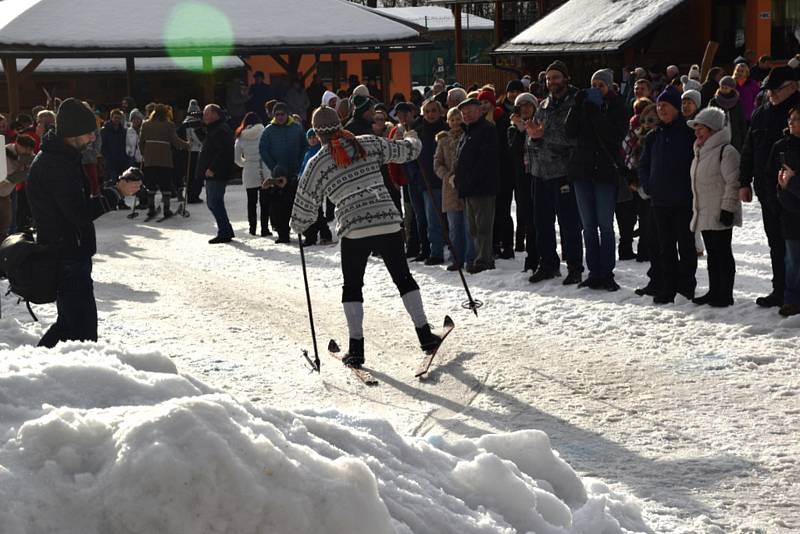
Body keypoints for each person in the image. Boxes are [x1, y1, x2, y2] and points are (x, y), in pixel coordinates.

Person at [290, 105, 442, 367]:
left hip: (354, 228)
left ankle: (356, 350)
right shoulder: (367, 143)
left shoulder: (317, 163)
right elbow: (407, 151)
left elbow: (304, 208)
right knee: (403, 278)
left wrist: (298, 225)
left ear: (316, 132)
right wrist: (412, 137)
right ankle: (425, 335)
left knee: (352, 287)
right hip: (387, 221)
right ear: (340, 123)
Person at [25, 98, 141, 348]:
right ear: (72, 132)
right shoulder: (56, 163)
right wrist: (117, 192)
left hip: (68, 250)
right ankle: (60, 377)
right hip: (66, 254)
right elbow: (78, 213)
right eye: (89, 133)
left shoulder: (62, 156)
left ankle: (36, 371)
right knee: (82, 331)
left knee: (71, 324)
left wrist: (114, 189)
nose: (92, 138)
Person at [740, 66, 799, 308]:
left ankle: (793, 294)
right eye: (769, 90)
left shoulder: (797, 113)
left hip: (795, 192)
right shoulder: (760, 113)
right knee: (775, 242)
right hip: (767, 189)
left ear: (794, 86)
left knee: (794, 245)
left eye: (777, 89)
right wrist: (743, 181)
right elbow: (749, 148)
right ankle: (780, 290)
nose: (772, 94)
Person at [565, 68, 629, 291]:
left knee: (605, 225)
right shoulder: (583, 105)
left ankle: (607, 272)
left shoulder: (618, 105)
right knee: (588, 226)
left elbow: (615, 135)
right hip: (582, 172)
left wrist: (596, 114)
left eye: (601, 85)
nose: (597, 89)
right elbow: (569, 131)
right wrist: (576, 106)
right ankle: (593, 271)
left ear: (610, 86)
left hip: (605, 173)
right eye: (594, 84)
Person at [525, 60, 584, 285]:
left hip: (563, 172)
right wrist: (533, 136)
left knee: (569, 223)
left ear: (566, 78)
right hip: (540, 172)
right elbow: (534, 138)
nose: (552, 82)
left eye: (556, 77)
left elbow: (574, 137)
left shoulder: (576, 102)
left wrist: (542, 136)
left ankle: (575, 266)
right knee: (542, 222)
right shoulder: (544, 104)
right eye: (549, 78)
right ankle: (548, 264)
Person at [638, 87, 698, 303]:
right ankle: (667, 285)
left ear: (676, 108)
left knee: (686, 245)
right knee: (664, 246)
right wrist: (648, 185)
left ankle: (686, 287)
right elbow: (643, 164)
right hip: (659, 200)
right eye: (659, 105)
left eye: (666, 105)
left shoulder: (688, 133)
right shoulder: (653, 136)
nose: (661, 109)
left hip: (683, 200)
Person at [687, 107, 742, 307]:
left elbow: (733, 182)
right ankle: (714, 290)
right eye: (696, 128)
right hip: (705, 210)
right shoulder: (700, 151)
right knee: (713, 254)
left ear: (712, 130)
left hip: (720, 211)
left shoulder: (726, 151)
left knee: (723, 253)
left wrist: (727, 209)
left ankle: (725, 294)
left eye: (701, 128)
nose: (697, 132)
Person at [455, 97, 498, 274]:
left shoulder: (487, 130)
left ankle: (484, 260)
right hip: (468, 188)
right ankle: (481, 257)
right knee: (473, 227)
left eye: (470, 111)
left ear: (480, 110)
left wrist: (470, 180)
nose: (467, 115)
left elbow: (485, 160)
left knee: (483, 226)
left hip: (482, 187)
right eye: (464, 113)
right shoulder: (467, 131)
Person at [258, 102, 307, 242]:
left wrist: (300, 163)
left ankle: (305, 231)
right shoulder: (268, 130)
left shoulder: (296, 128)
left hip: (294, 171)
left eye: (282, 114)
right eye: (277, 114)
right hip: (278, 172)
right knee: (279, 206)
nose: (279, 117)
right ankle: (283, 234)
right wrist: (273, 166)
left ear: (287, 115)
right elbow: (263, 149)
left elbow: (304, 146)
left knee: (295, 203)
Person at [435, 107, 475, 271]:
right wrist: (447, 176)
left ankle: (471, 258)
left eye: (458, 119)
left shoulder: (469, 136)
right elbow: (437, 163)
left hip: (467, 187)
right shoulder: (443, 140)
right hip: (450, 189)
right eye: (452, 120)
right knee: (454, 227)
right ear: (448, 122)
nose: (456, 122)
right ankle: (456, 259)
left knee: (469, 226)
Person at [139, 104, 190, 219]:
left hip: (150, 159)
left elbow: (141, 142)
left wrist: (144, 153)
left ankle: (151, 208)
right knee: (165, 184)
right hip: (164, 159)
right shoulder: (169, 125)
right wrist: (187, 145)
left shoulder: (146, 124)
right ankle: (166, 209)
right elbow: (175, 141)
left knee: (150, 184)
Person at [414, 99, 448, 266]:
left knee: (453, 220)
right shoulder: (419, 132)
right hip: (427, 181)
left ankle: (455, 250)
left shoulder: (447, 129)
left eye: (434, 110)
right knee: (432, 220)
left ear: (440, 112)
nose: (431, 114)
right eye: (427, 111)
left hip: (448, 181)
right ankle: (436, 252)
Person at [509, 92, 539, 273]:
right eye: (522, 106)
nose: (526, 109)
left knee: (542, 220)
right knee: (528, 220)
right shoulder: (513, 129)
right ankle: (532, 257)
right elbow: (512, 152)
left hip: (540, 177)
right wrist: (520, 131)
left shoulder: (541, 124)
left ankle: (545, 256)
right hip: (523, 179)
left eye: (529, 105)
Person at [774, 107, 800, 317]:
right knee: (792, 260)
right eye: (790, 119)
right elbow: (776, 183)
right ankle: (791, 300)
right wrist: (785, 188)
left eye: (797, 119)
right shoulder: (782, 147)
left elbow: (788, 182)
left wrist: (792, 183)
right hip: (790, 214)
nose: (792, 122)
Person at [198, 104, 236, 243]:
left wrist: (212, 168)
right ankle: (225, 230)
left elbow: (224, 152)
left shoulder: (221, 129)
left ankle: (225, 232)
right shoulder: (215, 128)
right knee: (213, 202)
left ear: (215, 114)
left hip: (217, 173)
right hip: (213, 172)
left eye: (207, 113)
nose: (204, 116)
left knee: (215, 202)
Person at [234, 112, 271, 237]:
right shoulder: (264, 131)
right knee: (265, 201)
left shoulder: (240, 136)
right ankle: (265, 229)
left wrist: (246, 163)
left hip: (249, 170)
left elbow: (237, 159)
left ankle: (252, 228)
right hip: (263, 169)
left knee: (251, 202)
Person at [1, 134, 36, 241]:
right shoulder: (4, 153)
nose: (27, 152)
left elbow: (33, 162)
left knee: (6, 220)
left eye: (29, 150)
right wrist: (25, 171)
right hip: (4, 189)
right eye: (25, 149)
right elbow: (10, 178)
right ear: (17, 144)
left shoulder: (26, 153)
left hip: (6, 192)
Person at [709, 76, 746, 151]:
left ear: (731, 89)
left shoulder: (737, 102)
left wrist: (744, 139)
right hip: (718, 137)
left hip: (734, 137)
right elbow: (709, 119)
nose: (723, 90)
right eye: (722, 87)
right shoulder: (714, 101)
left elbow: (741, 121)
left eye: (726, 88)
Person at [179, 99, 205, 204]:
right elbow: (198, 138)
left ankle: (190, 194)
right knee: (196, 174)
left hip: (186, 151)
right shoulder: (196, 123)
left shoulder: (184, 123)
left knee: (189, 175)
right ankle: (194, 195)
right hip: (196, 150)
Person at [100, 109, 128, 185]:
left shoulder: (123, 131)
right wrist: (106, 155)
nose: (117, 120)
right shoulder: (105, 130)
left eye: (119, 118)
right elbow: (102, 144)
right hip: (110, 159)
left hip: (121, 159)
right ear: (111, 117)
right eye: (115, 118)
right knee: (110, 181)